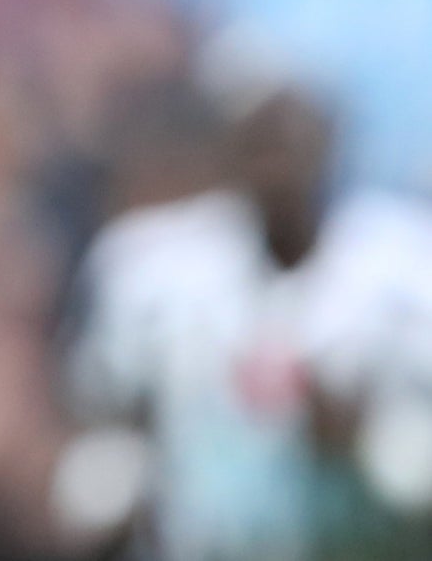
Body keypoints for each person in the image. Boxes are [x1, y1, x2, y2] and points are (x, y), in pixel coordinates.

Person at [58, 45, 432, 561]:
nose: (279, 158)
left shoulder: (407, 264)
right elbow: (102, 416)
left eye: (294, 132)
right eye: (262, 136)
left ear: (333, 137)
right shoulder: (155, 267)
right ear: (229, 146)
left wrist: (367, 440)